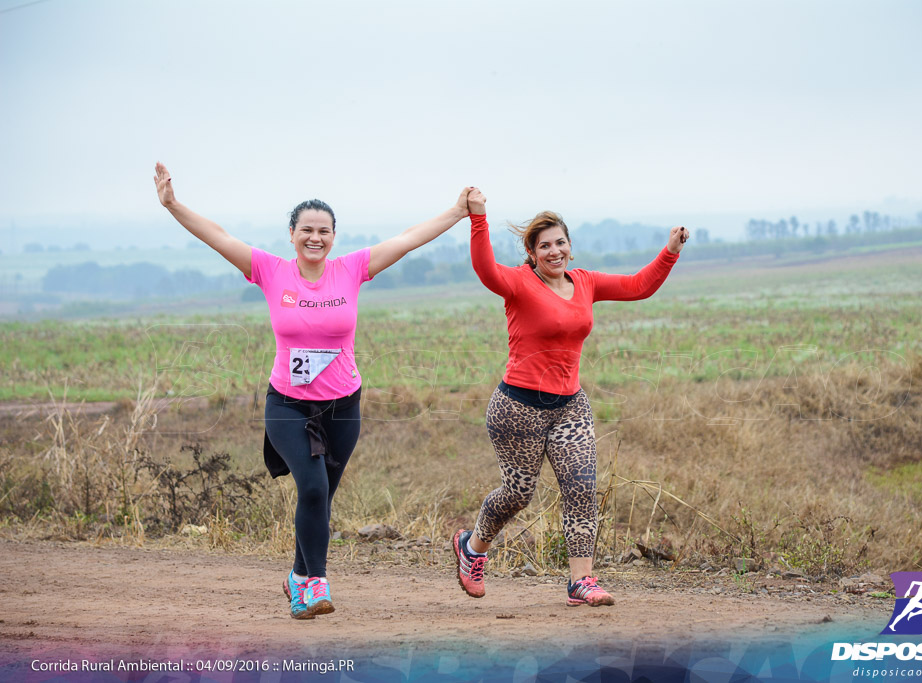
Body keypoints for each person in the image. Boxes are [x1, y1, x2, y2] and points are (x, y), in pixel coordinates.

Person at [154, 162, 470, 619]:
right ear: (291, 234)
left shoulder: (352, 269)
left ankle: (297, 576)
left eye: (323, 230)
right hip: (288, 403)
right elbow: (217, 236)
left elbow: (408, 238)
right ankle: (313, 585)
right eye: (306, 230)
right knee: (314, 488)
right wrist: (172, 205)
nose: (315, 237)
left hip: (343, 404)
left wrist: (456, 211)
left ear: (334, 236)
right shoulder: (269, 270)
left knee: (321, 497)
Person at [452, 188, 688, 607]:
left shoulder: (585, 283)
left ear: (570, 247)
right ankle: (473, 548)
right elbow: (486, 269)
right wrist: (478, 218)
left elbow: (638, 286)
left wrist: (669, 251)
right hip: (516, 409)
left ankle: (581, 581)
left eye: (560, 242)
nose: (554, 250)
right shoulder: (519, 283)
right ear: (532, 252)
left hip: (570, 406)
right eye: (545, 245)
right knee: (518, 494)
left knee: (581, 488)